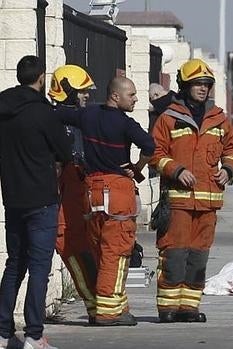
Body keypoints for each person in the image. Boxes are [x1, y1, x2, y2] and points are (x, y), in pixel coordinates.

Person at [59, 76, 155, 326]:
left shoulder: (88, 115)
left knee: (99, 251)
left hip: (91, 192)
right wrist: (137, 167)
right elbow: (149, 145)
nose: (135, 99)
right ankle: (108, 312)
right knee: (117, 252)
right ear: (116, 96)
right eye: (131, 95)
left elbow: (61, 115)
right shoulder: (126, 124)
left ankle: (118, 307)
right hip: (117, 192)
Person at [150, 58, 233, 323]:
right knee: (174, 253)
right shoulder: (169, 118)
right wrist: (176, 170)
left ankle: (188, 307)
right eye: (197, 84)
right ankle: (168, 308)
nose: (203, 88)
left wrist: (228, 170)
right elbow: (155, 153)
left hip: (209, 202)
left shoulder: (219, 119)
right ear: (184, 85)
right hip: (178, 201)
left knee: (199, 257)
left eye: (206, 84)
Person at [0, 55, 71, 349]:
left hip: (13, 198)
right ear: (41, 78)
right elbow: (65, 152)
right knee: (40, 266)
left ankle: (3, 332)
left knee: (15, 263)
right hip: (42, 199)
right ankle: (33, 334)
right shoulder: (45, 113)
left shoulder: (2, 109)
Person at [48, 64, 98, 324]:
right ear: (67, 91)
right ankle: (93, 303)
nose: (86, 95)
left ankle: (97, 301)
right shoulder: (57, 119)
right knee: (71, 244)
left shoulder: (78, 118)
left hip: (81, 188)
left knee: (85, 245)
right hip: (65, 192)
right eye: (82, 91)